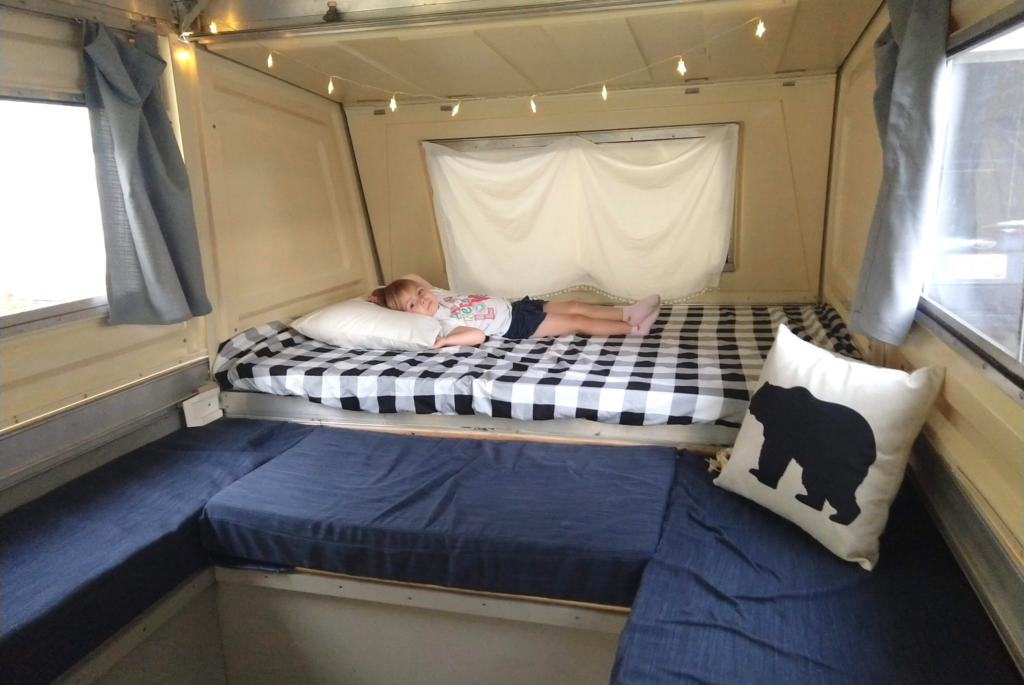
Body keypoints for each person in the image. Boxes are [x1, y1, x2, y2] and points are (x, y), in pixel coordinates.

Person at [368, 274, 660, 349]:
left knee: (575, 304)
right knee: (577, 321)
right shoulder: (440, 322)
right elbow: (477, 336)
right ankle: (633, 329)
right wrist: (446, 341)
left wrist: (383, 294)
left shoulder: (438, 299)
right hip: (515, 325)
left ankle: (628, 312)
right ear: (407, 316)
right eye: (412, 305)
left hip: (515, 306)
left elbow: (412, 278)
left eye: (420, 294)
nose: (421, 300)